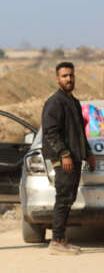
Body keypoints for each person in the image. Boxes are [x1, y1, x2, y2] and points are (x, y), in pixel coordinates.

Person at [42, 62, 95, 255]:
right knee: (63, 198)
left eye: (71, 75)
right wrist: (64, 154)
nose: (69, 79)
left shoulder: (73, 102)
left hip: (74, 157)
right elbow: (51, 132)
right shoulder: (55, 102)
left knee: (69, 197)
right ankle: (56, 241)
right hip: (63, 158)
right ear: (57, 79)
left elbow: (80, 132)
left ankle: (61, 238)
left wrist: (88, 153)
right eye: (64, 76)